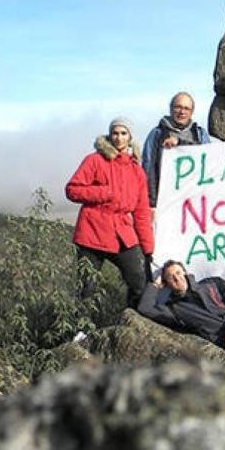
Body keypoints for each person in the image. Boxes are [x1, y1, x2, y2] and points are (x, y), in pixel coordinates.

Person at [66, 117, 154, 309]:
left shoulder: (137, 171)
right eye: (115, 133)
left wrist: (148, 248)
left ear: (130, 137)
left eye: (123, 133)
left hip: (122, 233)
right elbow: (72, 189)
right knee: (86, 287)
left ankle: (133, 321)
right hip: (91, 232)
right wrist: (103, 192)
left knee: (140, 282)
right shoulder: (94, 160)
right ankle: (81, 331)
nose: (119, 138)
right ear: (109, 135)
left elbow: (141, 213)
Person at [141, 92, 210, 210]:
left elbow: (209, 160)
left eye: (186, 108)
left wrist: (180, 142)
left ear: (191, 112)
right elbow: (148, 167)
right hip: (165, 201)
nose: (182, 111)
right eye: (178, 107)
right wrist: (152, 202)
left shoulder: (200, 134)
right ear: (170, 109)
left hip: (194, 201)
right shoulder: (156, 134)